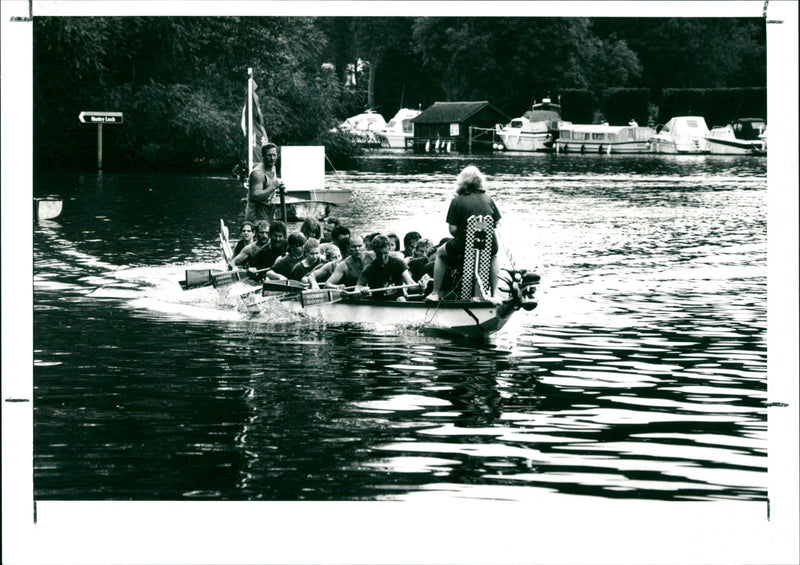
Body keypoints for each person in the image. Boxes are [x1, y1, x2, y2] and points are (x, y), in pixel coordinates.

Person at [427, 165, 501, 302]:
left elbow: (453, 229)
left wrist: (467, 233)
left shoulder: (457, 200)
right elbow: (496, 223)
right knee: (494, 256)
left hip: (465, 242)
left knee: (440, 254)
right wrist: (480, 228)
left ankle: (435, 293)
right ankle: (495, 293)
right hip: (489, 241)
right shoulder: (488, 199)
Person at [357, 235, 425, 301]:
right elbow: (356, 290)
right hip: (378, 304)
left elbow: (411, 285)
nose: (383, 257)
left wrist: (421, 286)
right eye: (380, 254)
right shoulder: (369, 268)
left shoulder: (399, 264)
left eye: (385, 253)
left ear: (389, 248)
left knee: (401, 299)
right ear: (374, 251)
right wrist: (362, 290)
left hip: (397, 301)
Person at [244, 143, 285, 223]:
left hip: (268, 214)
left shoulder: (273, 168)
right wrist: (273, 186)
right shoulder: (258, 174)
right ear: (263, 156)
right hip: (256, 217)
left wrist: (280, 185)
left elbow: (272, 184)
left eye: (274, 155)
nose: (272, 158)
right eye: (269, 155)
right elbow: (256, 195)